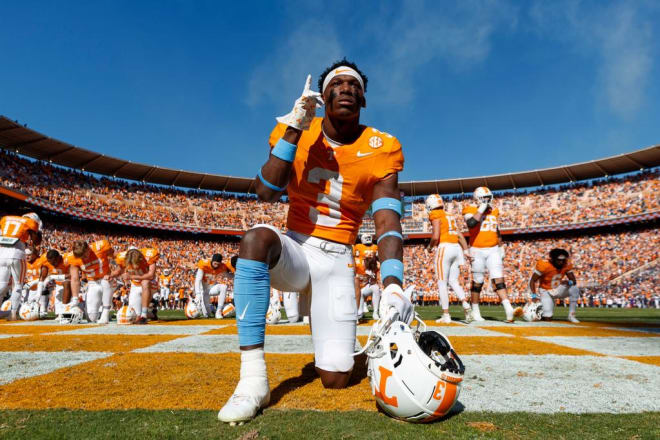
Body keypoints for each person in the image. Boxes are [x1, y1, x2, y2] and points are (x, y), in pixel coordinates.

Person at [218, 60, 413, 424]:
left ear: (363, 101)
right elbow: (265, 192)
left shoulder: (382, 145)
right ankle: (252, 381)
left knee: (336, 378)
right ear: (322, 97)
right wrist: (294, 127)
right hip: (297, 249)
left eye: (354, 86)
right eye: (336, 84)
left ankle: (361, 349)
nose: (346, 89)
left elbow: (387, 218)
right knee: (256, 238)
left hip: (339, 259)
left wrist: (393, 283)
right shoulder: (296, 129)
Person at [462, 187, 515, 322]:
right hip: (477, 250)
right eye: (485, 198)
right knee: (478, 281)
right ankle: (475, 310)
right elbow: (471, 224)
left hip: (493, 249)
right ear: (478, 198)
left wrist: (501, 246)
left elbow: (496, 230)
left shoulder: (494, 211)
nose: (488, 201)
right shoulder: (469, 209)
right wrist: (481, 208)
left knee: (499, 278)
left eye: (488, 198)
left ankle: (509, 309)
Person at [425, 195, 472, 323]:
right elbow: (460, 235)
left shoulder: (435, 214)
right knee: (453, 281)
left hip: (445, 247)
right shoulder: (449, 215)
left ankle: (446, 315)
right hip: (457, 248)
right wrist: (466, 250)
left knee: (442, 282)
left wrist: (429, 248)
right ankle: (466, 304)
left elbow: (435, 236)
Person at [0, 213, 42, 320]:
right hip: (17, 254)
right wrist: (38, 232)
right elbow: (36, 241)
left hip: (2, 254)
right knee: (18, 285)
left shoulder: (5, 218)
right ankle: (13, 313)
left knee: (2, 284)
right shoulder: (30, 222)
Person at [68, 239, 115, 324]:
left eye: (85, 255)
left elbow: (114, 256)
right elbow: (74, 279)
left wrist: (113, 272)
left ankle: (106, 312)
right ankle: (102, 312)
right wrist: (75, 299)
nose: (84, 259)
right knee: (91, 318)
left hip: (107, 279)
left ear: (88, 248)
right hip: (92, 282)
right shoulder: (72, 258)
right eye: (81, 257)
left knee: (106, 281)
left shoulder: (100, 247)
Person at [529, 248, 580, 323]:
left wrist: (568, 282)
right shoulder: (544, 265)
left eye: (563, 260)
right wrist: (533, 295)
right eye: (558, 260)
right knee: (548, 318)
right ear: (552, 259)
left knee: (574, 289)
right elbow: (533, 280)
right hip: (545, 291)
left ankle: (571, 316)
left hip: (558, 289)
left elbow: (573, 281)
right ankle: (541, 311)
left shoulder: (566, 264)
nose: (561, 262)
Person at [114, 247, 159, 324]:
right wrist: (111, 276)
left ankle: (144, 315)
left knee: (145, 282)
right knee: (135, 315)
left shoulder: (148, 255)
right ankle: (151, 311)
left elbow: (151, 275)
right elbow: (118, 271)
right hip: (135, 285)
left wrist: (132, 277)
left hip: (150, 284)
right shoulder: (122, 258)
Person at [354, 233, 380, 319]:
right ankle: (359, 311)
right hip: (357, 291)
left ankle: (375, 312)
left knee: (376, 288)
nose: (369, 255)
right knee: (359, 314)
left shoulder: (374, 265)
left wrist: (371, 276)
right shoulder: (356, 263)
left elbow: (374, 280)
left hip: (365, 288)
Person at [194, 254, 229, 318]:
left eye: (218, 264)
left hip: (211, 288)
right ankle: (211, 308)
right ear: (212, 261)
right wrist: (198, 293)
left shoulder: (222, 266)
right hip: (203, 290)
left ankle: (218, 311)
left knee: (224, 287)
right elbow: (198, 280)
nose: (216, 265)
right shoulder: (204, 264)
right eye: (215, 263)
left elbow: (228, 275)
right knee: (206, 314)